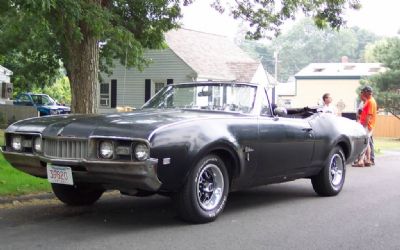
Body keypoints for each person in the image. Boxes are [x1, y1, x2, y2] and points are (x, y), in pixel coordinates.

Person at [353, 86, 377, 167]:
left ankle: (361, 161)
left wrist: (365, 125)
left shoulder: (370, 101)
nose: (362, 94)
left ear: (367, 92)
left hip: (367, 125)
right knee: (366, 143)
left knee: (364, 143)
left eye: (363, 92)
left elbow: (369, 115)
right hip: (367, 124)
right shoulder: (368, 101)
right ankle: (368, 160)